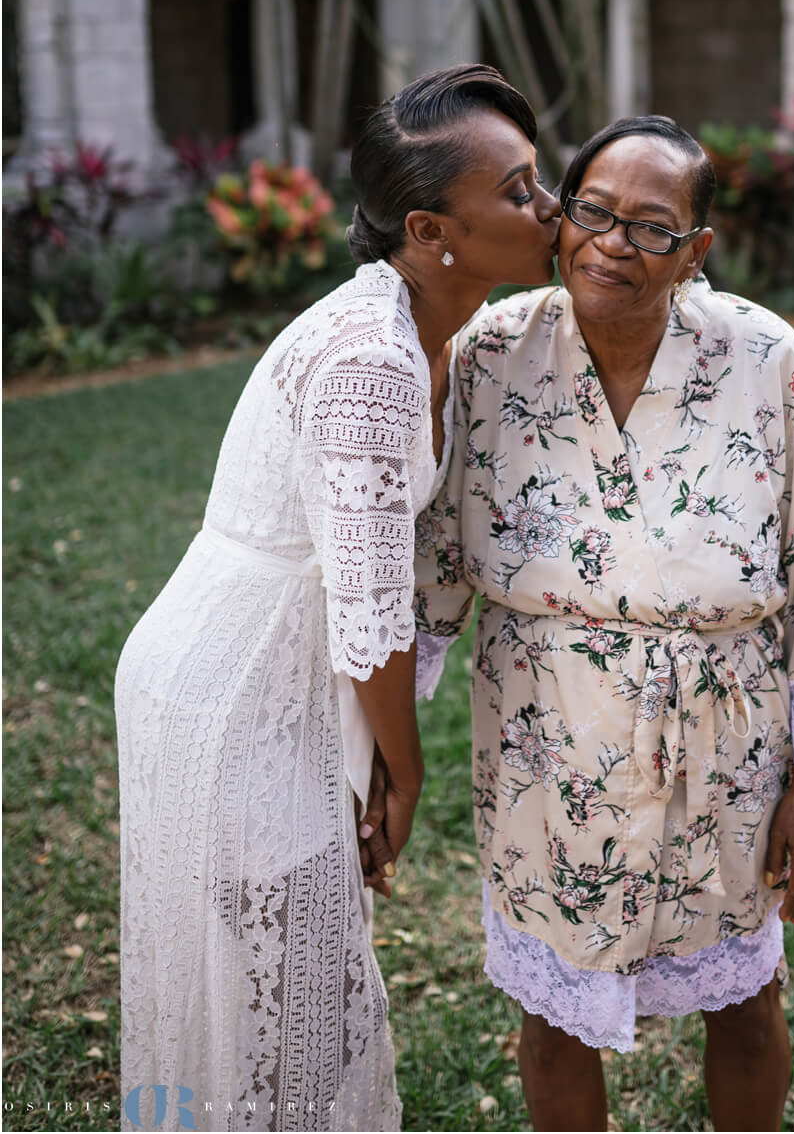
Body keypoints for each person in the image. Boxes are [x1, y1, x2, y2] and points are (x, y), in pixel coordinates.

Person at [414, 114, 794, 1133]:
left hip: (727, 754)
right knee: (554, 1021)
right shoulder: (490, 354)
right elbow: (436, 565)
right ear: (559, 214)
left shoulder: (765, 356)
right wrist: (381, 749)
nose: (610, 244)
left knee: (746, 1005)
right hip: (547, 751)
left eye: (650, 227)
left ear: (694, 252)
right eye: (590, 211)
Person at [114, 64, 561, 1133]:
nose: (547, 208)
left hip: (287, 686)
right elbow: (368, 616)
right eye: (517, 192)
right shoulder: (370, 363)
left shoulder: (438, 325)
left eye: (539, 180)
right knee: (281, 1008)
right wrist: (400, 780)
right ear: (428, 229)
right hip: (234, 698)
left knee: (290, 1004)